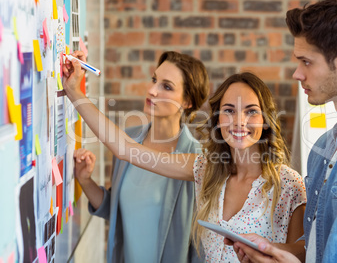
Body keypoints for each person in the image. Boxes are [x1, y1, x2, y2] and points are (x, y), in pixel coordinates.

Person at [62, 56, 307, 262]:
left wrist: (269, 250)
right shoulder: (205, 170)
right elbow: (125, 149)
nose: (239, 122)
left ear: (265, 120)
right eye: (229, 110)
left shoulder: (288, 184)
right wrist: (73, 91)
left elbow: (306, 252)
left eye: (251, 111)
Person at [228, 0, 337, 263]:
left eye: (306, 62)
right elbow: (317, 245)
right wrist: (271, 250)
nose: (297, 73)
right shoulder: (323, 147)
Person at [72, 51, 209, 263]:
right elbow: (117, 213)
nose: (152, 90)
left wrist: (74, 92)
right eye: (154, 80)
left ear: (187, 101)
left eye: (166, 86)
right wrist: (85, 181)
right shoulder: (129, 137)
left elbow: (200, 245)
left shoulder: (195, 159)